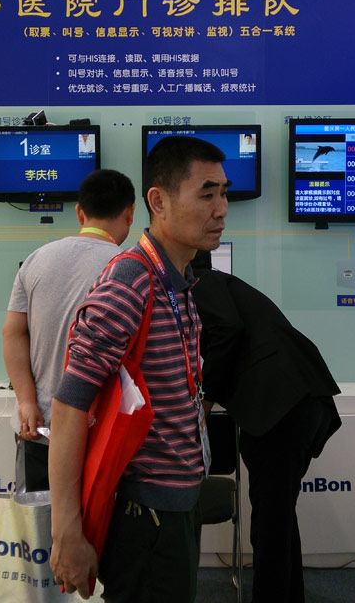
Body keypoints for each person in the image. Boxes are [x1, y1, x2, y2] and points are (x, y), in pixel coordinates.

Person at [49, 135, 230, 603]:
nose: (221, 209)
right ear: (158, 202)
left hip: (178, 502)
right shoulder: (131, 281)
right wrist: (66, 531)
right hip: (145, 517)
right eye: (206, 194)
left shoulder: (180, 280)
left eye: (223, 193)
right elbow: (68, 406)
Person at [191, 251, 342, 603]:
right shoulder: (226, 285)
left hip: (281, 410)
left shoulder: (200, 283)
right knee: (278, 521)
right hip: (298, 405)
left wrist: (206, 399)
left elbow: (228, 330)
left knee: (270, 528)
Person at [1, 168, 135, 493]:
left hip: (39, 428)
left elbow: (13, 333)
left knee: (41, 522)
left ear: (79, 212)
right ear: (130, 214)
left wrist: (26, 402)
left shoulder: (36, 259)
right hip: (103, 436)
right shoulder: (130, 267)